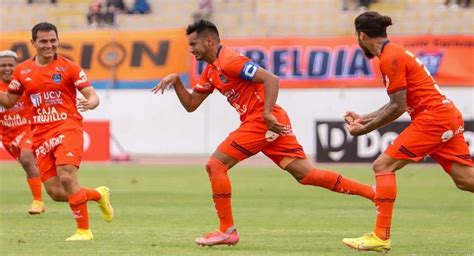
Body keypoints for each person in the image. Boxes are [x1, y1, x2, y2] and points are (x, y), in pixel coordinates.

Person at [152, 19, 375, 247]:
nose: (191, 50)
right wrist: (177, 81)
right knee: (306, 175)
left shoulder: (230, 60)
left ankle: (226, 230)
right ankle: (375, 194)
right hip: (268, 123)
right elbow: (191, 104)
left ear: (209, 41)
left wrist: (267, 114)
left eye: (193, 44)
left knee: (215, 165)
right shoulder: (211, 71)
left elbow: (271, 79)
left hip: (262, 120)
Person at [341, 11, 473, 253]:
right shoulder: (395, 52)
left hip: (434, 119)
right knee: (466, 180)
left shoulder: (389, 57)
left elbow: (397, 107)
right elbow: (397, 101)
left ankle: (381, 236)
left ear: (362, 36)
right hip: (444, 115)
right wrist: (365, 117)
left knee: (383, 166)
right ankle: (380, 236)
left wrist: (364, 130)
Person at [0, 22, 114, 241]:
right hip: (41, 135)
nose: (49, 45)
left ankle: (84, 231)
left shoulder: (69, 67)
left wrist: (92, 102)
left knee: (66, 175)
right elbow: (8, 101)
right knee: (56, 192)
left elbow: (92, 94)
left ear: (58, 40)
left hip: (67, 127)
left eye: (53, 40)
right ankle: (99, 194)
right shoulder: (22, 71)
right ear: (33, 43)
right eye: (43, 41)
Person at [0, 50, 45, 215]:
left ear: (16, 66)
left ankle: (38, 202)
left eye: (10, 65)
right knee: (30, 166)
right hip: (8, 137)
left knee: (27, 159)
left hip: (30, 129)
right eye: (2, 65)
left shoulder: (24, 83)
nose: (7, 68)